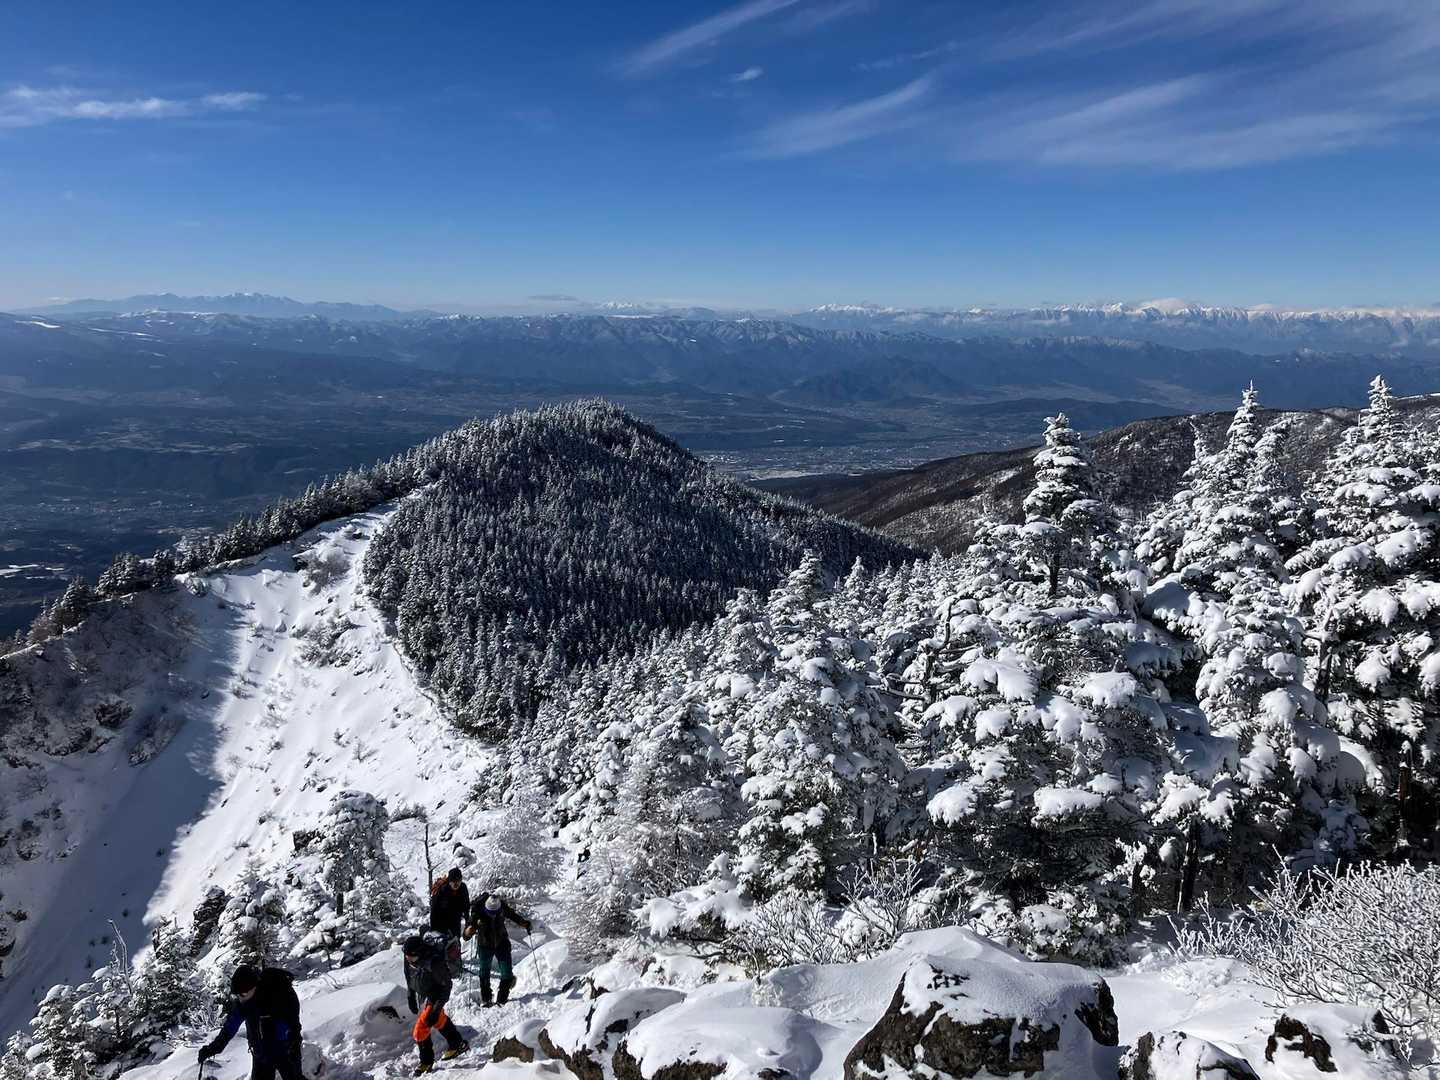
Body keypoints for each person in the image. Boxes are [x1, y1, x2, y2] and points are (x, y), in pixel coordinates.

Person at [197, 964, 304, 1080]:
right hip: (261, 1054)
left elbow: (294, 1023)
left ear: (255, 987)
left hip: (285, 1051)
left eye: (243, 994)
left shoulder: (277, 995)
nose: (240, 998)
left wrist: (294, 1043)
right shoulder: (243, 1004)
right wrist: (212, 1049)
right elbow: (229, 1029)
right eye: (237, 995)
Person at [403, 933, 469, 1075]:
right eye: (407, 956)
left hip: (437, 995)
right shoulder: (409, 956)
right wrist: (410, 995)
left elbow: (446, 987)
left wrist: (436, 1009)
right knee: (439, 1020)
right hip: (427, 991)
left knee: (421, 1029)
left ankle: (426, 1062)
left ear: (420, 953)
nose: (408, 959)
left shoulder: (435, 963)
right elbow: (408, 975)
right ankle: (458, 1044)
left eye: (411, 957)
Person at [463, 892, 532, 1007]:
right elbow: (466, 935)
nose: (493, 915)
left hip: (502, 942)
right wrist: (468, 931)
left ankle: (502, 999)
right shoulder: (477, 912)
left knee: (507, 972)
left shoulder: (501, 907)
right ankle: (486, 999)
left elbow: (512, 915)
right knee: (484, 972)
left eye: (496, 913)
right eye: (491, 913)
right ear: (485, 909)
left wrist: (524, 923)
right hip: (484, 944)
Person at [428, 867, 469, 939]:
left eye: (458, 881)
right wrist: (433, 930)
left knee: (455, 942)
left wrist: (467, 922)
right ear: (449, 881)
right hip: (441, 922)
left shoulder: (463, 888)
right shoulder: (442, 890)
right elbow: (434, 910)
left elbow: (466, 906)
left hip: (455, 921)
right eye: (453, 881)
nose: (456, 884)